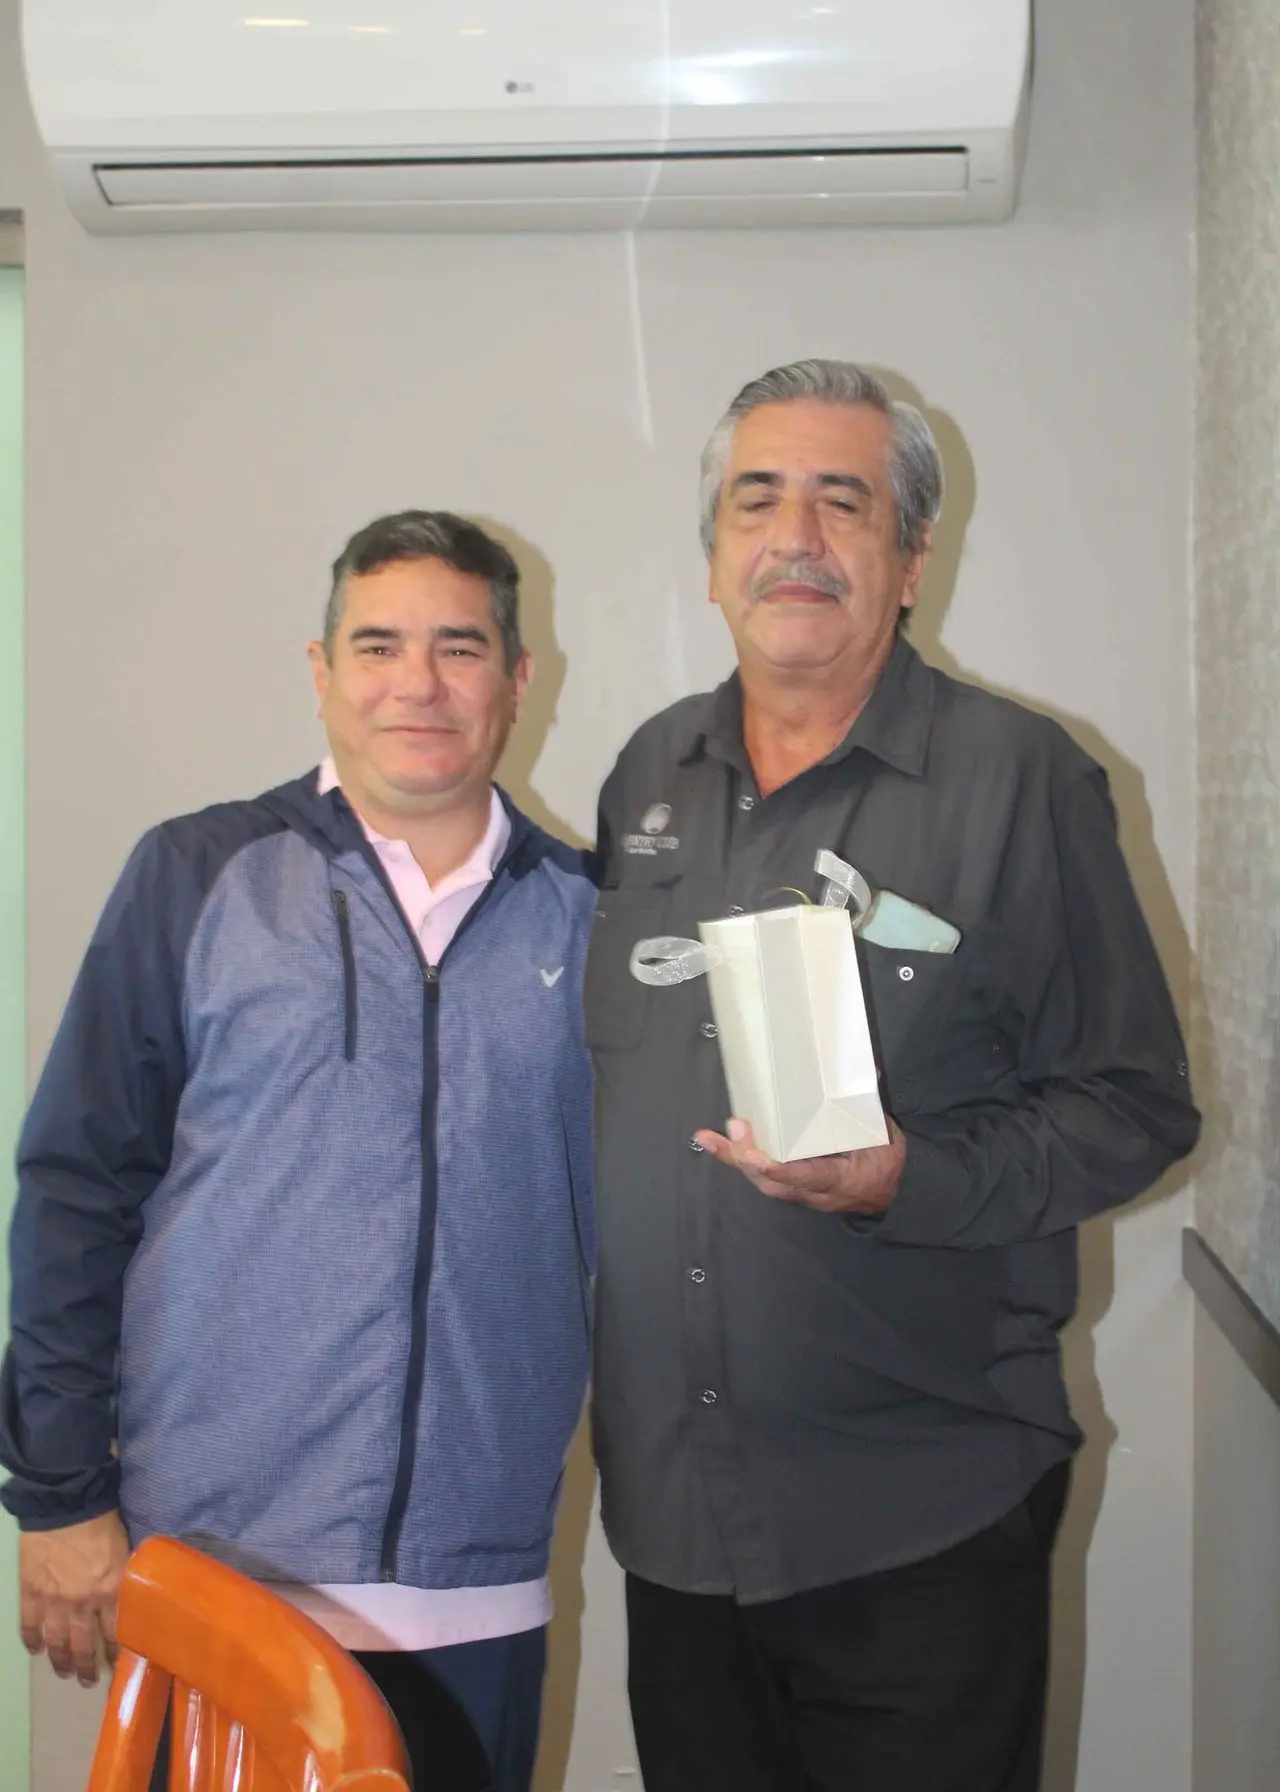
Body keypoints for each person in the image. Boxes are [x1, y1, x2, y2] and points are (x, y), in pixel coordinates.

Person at [587, 359, 1199, 1792]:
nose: (794, 537)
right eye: (756, 501)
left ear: (911, 559)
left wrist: (906, 1180)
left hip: (918, 1524)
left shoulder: (1022, 780)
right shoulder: (646, 778)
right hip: (675, 1525)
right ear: (713, 556)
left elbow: (1134, 1106)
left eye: (842, 502)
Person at [1, 510, 595, 1792]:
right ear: (321, 673)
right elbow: (74, 1192)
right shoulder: (197, 873)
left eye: (458, 648)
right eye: (377, 646)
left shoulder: (592, 919)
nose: (417, 684)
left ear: (516, 679)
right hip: (220, 1579)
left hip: (476, 1590)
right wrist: (55, 1495)